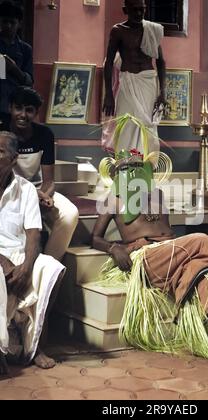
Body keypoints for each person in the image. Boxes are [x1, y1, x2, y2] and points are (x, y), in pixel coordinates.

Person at [93, 144, 208, 374]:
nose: (133, 173)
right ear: (116, 174)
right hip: (148, 257)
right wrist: (114, 248)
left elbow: (166, 230)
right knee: (202, 239)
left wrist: (176, 250)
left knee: (202, 277)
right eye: (126, 169)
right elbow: (95, 238)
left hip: (171, 252)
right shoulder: (113, 198)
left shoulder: (156, 193)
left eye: (137, 167)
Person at [0, 131, 65, 376]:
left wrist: (27, 267)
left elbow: (34, 235)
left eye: (0, 152)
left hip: (18, 255)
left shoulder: (26, 189)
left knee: (52, 269)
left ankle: (36, 345)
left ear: (14, 159)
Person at [0, 86, 79, 262]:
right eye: (18, 108)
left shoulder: (44, 134)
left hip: (37, 190)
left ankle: (46, 267)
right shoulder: (2, 132)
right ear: (10, 108)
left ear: (36, 112)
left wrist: (42, 196)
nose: (23, 114)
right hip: (6, 189)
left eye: (29, 110)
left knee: (69, 214)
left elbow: (49, 180)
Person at [102, 0, 166, 154]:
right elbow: (108, 62)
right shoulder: (118, 31)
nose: (139, 13)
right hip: (128, 82)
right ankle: (125, 165)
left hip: (148, 82)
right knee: (126, 123)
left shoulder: (152, 29)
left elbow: (161, 62)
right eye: (135, 10)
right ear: (126, 10)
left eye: (142, 10)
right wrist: (109, 94)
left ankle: (145, 166)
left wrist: (162, 92)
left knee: (147, 125)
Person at [0, 1, 33, 113]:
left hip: (15, 105)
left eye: (12, 22)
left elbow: (29, 81)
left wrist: (13, 68)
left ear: (19, 24)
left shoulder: (25, 49)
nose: (8, 26)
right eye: (5, 21)